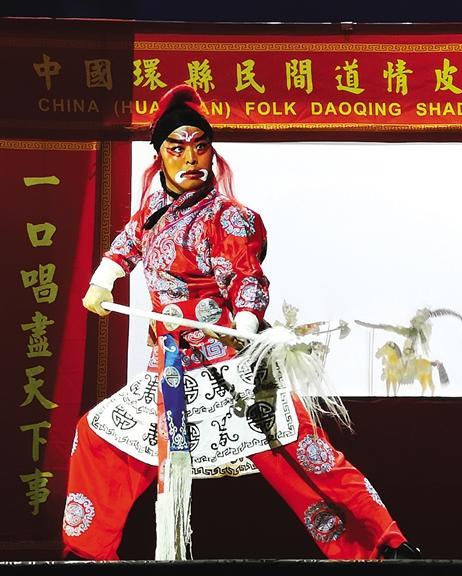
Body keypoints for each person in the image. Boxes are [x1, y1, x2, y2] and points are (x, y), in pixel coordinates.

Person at [61, 84, 421, 561]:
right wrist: (103, 281)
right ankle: (85, 556)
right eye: (177, 147)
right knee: (100, 437)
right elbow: (126, 244)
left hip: (226, 367)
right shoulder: (152, 214)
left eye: (200, 146)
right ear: (159, 156)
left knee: (304, 458)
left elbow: (245, 278)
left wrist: (245, 327)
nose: (191, 157)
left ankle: (383, 546)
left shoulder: (228, 218)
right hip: (169, 373)